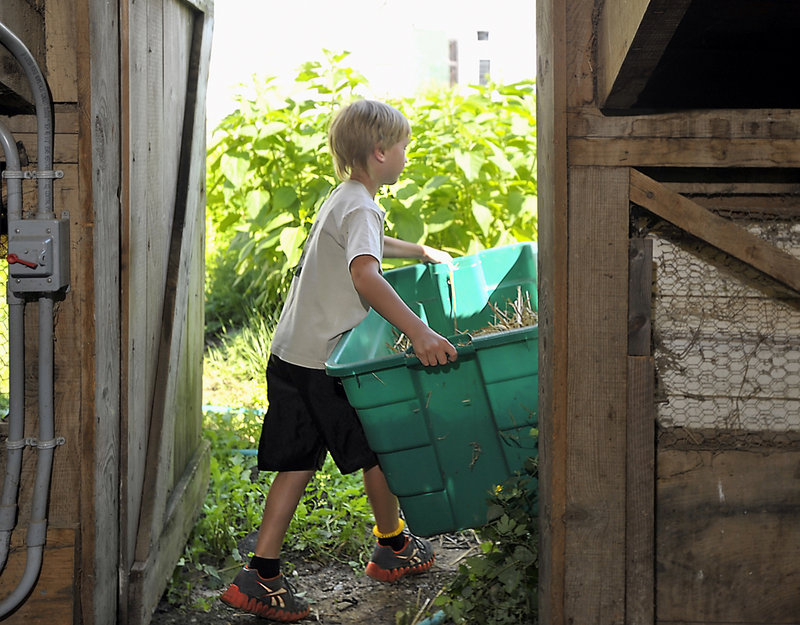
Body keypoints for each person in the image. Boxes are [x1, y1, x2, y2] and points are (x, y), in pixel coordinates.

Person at [220, 99, 458, 622]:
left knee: (299, 462)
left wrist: (416, 251)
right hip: (326, 364)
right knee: (378, 448)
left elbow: (365, 245)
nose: (405, 155)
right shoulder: (363, 206)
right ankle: (393, 546)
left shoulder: (346, 197)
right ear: (379, 152)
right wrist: (419, 332)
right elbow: (364, 273)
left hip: (292, 355)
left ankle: (259, 574)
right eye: (402, 148)